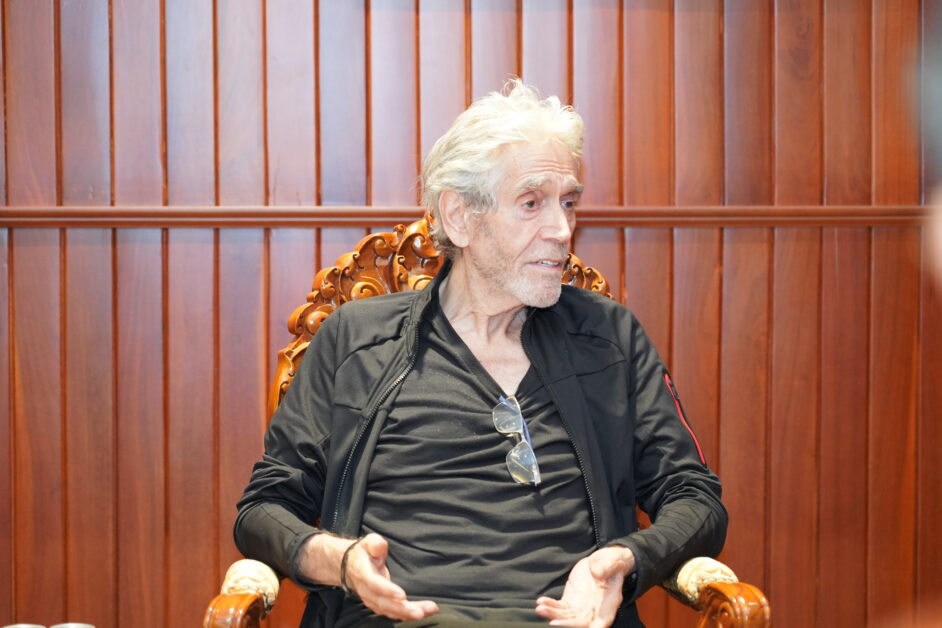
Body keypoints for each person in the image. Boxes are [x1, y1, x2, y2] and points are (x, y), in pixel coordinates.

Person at [234, 80, 727, 628]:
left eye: (568, 203)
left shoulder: (609, 338)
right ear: (460, 216)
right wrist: (338, 560)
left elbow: (695, 497)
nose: (562, 229)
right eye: (532, 203)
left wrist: (626, 559)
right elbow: (264, 508)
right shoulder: (357, 340)